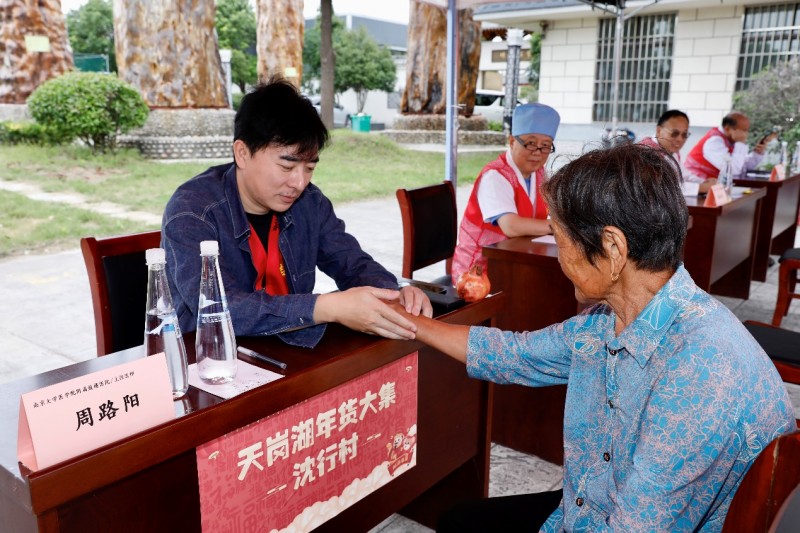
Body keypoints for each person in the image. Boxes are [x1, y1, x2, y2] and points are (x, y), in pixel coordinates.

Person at [393, 144, 796, 532]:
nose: (558, 252)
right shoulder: (613, 318)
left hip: (620, 521)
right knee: (461, 520)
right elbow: (515, 354)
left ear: (613, 248)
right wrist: (409, 321)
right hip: (593, 505)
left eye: (559, 235)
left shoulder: (700, 371)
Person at [162, 79, 431, 349]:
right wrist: (326, 306)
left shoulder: (309, 203)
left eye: (310, 168)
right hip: (207, 361)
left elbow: (351, 262)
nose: (299, 183)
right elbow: (217, 308)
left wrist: (393, 293)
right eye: (287, 166)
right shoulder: (192, 211)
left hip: (287, 351)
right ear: (242, 153)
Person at [451, 103, 560, 284]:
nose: (538, 153)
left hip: (517, 261)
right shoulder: (495, 176)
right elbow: (511, 226)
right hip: (478, 273)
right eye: (531, 143)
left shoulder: (540, 174)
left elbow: (556, 208)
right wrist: (557, 227)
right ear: (511, 142)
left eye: (546, 146)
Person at [684, 111, 777, 182]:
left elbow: (743, 167)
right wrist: (740, 143)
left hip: (714, 187)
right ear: (728, 129)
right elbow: (733, 170)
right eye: (743, 130)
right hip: (696, 188)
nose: (746, 134)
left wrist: (757, 153)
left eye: (747, 130)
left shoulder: (730, 141)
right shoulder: (714, 142)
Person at [639, 109, 715, 194]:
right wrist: (701, 188)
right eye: (674, 133)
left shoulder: (670, 150)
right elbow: (661, 186)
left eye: (684, 135)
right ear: (659, 131)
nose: (680, 139)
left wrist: (704, 182)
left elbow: (683, 176)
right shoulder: (646, 151)